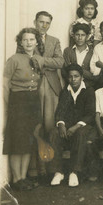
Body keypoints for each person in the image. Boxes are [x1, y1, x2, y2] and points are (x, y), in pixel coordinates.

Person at [3, 28, 44, 191]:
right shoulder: (13, 59)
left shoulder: (39, 59)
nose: (29, 43)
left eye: (32, 39)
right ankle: (16, 178)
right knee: (17, 141)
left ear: (36, 42)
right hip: (18, 102)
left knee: (29, 140)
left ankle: (23, 177)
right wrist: (10, 104)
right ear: (20, 42)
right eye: (25, 40)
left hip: (33, 101)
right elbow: (5, 84)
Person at [49, 64, 96, 187]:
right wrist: (61, 124)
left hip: (84, 126)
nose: (73, 79)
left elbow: (90, 114)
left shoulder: (88, 91)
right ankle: (58, 172)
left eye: (76, 76)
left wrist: (76, 126)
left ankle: (74, 172)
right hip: (68, 125)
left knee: (80, 134)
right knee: (54, 133)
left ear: (82, 78)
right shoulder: (65, 91)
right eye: (70, 77)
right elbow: (60, 111)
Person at [30, 11, 64, 180]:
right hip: (34, 86)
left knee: (50, 127)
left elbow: (60, 62)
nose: (44, 25)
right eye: (41, 22)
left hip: (51, 87)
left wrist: (41, 61)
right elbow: (26, 61)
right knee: (36, 127)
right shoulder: (28, 39)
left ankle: (51, 168)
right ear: (35, 21)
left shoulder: (54, 41)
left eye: (47, 23)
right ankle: (37, 168)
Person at [62, 23, 97, 88]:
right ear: (73, 35)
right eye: (77, 35)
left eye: (83, 35)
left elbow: (93, 75)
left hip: (88, 87)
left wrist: (76, 69)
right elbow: (65, 72)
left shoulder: (93, 52)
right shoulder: (67, 51)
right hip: (71, 87)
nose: (80, 38)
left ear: (87, 36)